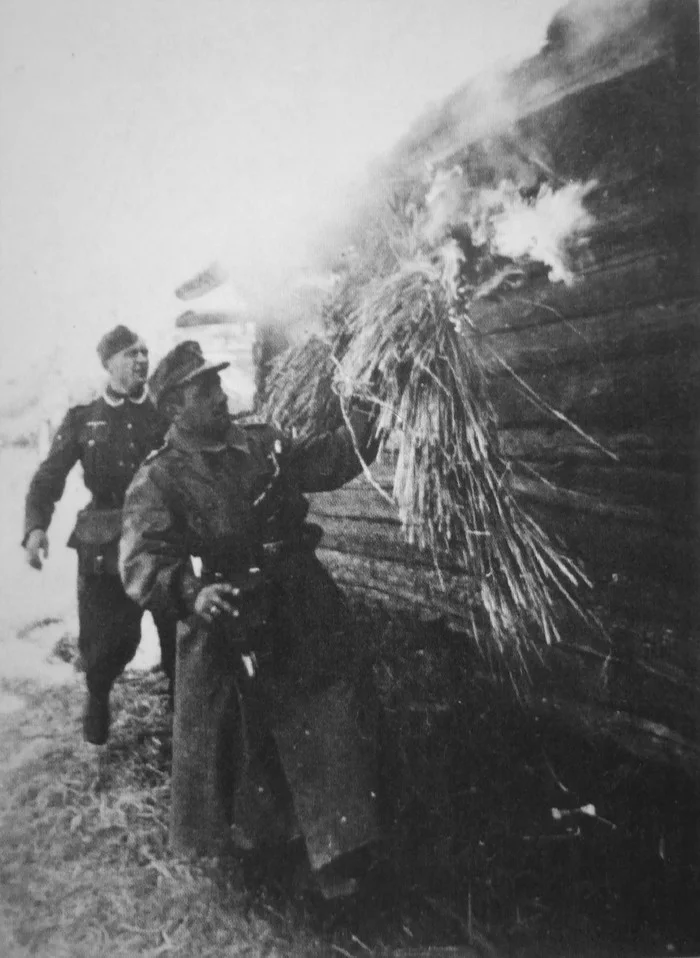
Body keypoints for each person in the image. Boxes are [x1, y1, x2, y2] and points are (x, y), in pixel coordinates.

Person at [119, 340, 381, 896]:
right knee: (237, 735)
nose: (219, 396)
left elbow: (329, 460)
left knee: (326, 710)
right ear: (172, 408)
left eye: (217, 384)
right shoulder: (160, 476)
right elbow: (142, 558)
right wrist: (190, 593)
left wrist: (371, 406)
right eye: (203, 390)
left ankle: (341, 855)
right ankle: (261, 853)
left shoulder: (264, 444)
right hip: (228, 610)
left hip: (297, 597)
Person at [23, 325, 177, 745]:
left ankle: (184, 729)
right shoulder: (83, 418)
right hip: (103, 547)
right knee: (105, 645)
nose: (142, 360)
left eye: (145, 352)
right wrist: (36, 528)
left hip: (161, 540)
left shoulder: (165, 415)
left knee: (177, 637)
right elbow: (47, 479)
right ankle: (97, 714)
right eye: (131, 354)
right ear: (108, 363)